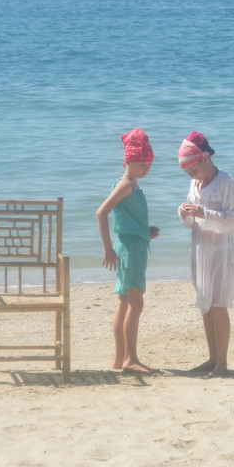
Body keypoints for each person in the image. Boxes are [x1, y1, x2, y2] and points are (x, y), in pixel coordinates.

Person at [178, 131, 234, 377]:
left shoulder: (226, 182)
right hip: (200, 250)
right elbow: (190, 220)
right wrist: (184, 212)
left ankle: (222, 364)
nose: (191, 176)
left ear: (205, 159)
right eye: (188, 173)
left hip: (221, 252)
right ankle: (212, 358)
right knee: (205, 306)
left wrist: (204, 213)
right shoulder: (195, 183)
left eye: (193, 170)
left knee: (218, 305)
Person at [96, 128, 159, 374]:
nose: (146, 168)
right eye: (142, 164)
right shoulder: (125, 186)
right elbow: (101, 213)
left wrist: (146, 229)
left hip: (134, 245)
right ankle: (130, 359)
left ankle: (119, 358)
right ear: (128, 161)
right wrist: (107, 249)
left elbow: (127, 218)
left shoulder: (131, 185)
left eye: (149, 164)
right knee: (136, 303)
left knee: (124, 301)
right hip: (129, 250)